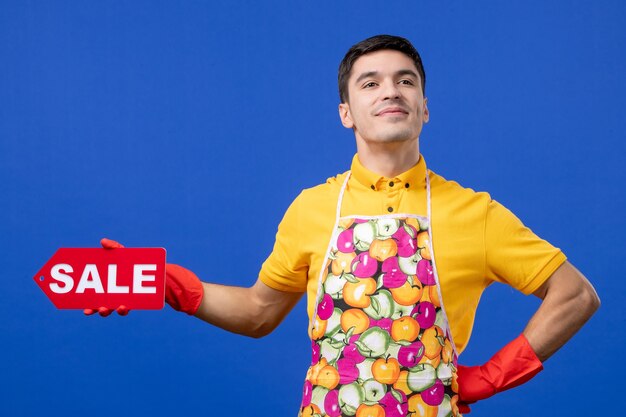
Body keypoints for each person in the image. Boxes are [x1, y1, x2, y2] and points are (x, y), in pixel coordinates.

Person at [91, 35, 600, 416]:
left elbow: (575, 295)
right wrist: (168, 285)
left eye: (406, 81)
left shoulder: (476, 213)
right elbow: (259, 311)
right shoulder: (311, 207)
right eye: (370, 83)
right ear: (346, 113)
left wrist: (492, 376)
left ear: (425, 107)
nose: (391, 91)